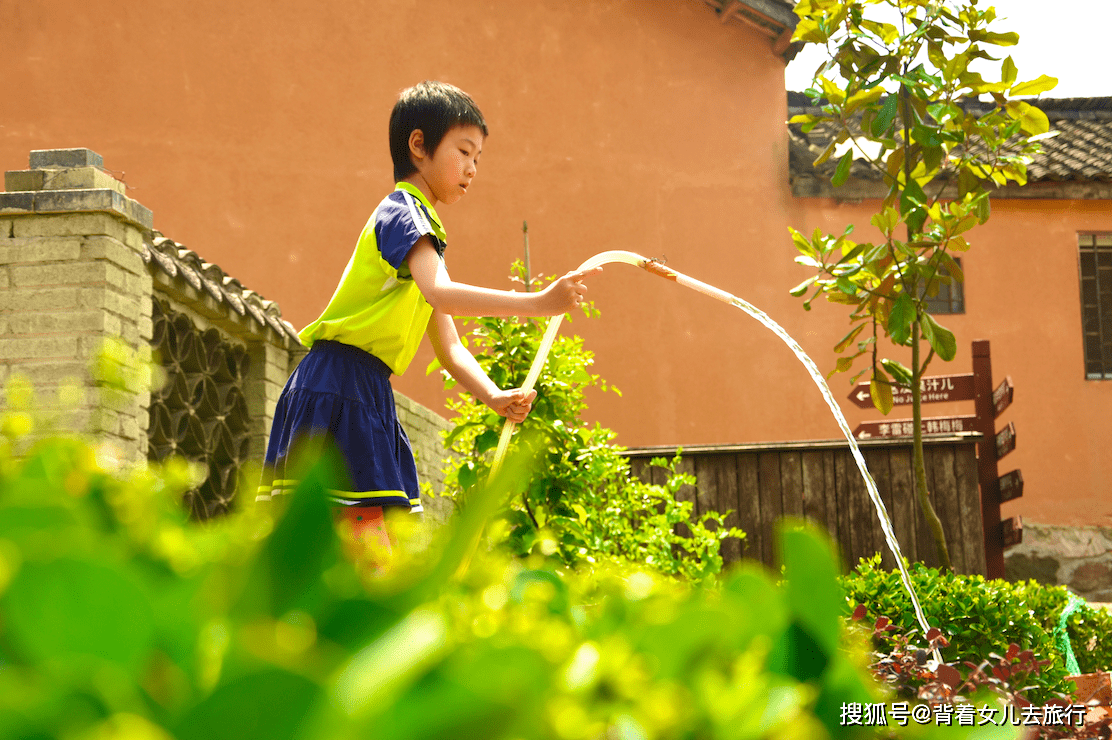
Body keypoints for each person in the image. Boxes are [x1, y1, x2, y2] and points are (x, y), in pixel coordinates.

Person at [257, 80, 599, 570]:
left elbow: (450, 346)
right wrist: (539, 303)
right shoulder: (402, 214)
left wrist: (494, 396)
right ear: (419, 146)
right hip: (337, 384)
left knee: (366, 542)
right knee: (356, 543)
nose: (473, 169)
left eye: (478, 157)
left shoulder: (427, 236)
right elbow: (441, 294)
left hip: (365, 389)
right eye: (464, 152)